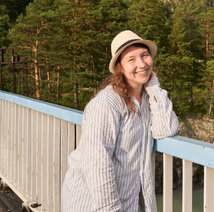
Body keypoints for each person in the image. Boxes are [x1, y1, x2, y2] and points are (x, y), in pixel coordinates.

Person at [62, 30, 179, 212]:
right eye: (131, 59)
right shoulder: (106, 104)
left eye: (145, 55)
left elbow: (165, 128)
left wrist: (154, 85)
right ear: (120, 68)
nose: (141, 64)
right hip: (92, 204)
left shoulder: (148, 98)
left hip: (126, 202)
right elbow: (97, 165)